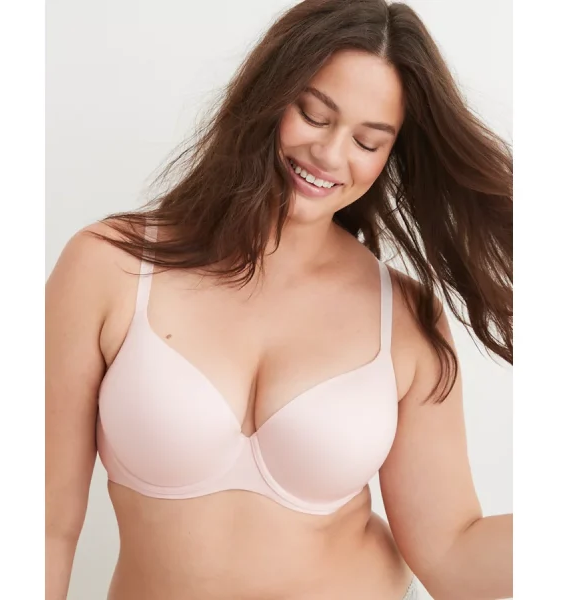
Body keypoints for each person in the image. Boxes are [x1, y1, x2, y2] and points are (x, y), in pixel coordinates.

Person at [45, 0, 513, 598]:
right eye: (314, 115)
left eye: (368, 141)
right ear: (267, 94)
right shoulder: (108, 265)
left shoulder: (405, 317)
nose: (331, 154)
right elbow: (44, 524)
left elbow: (452, 554)